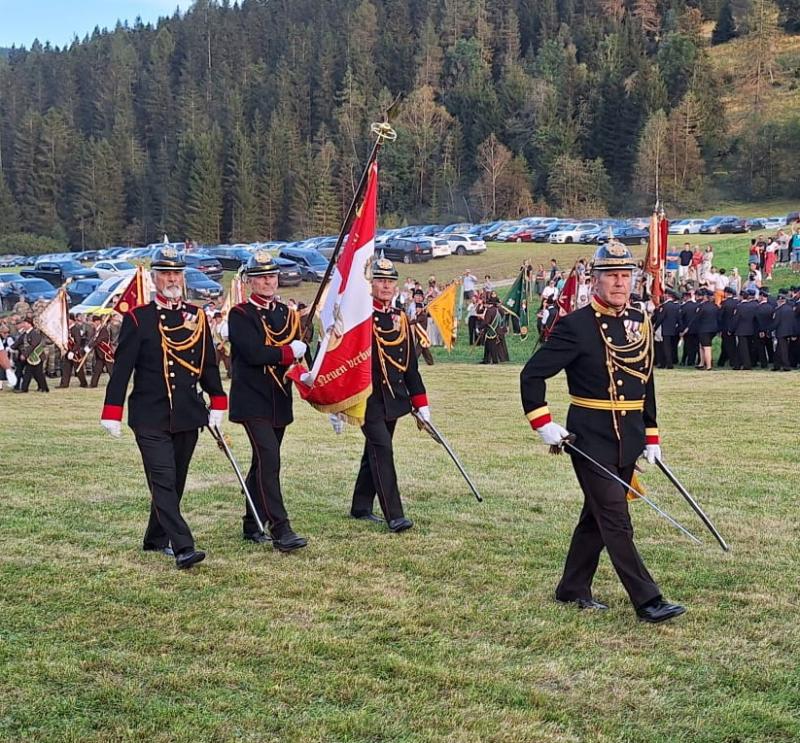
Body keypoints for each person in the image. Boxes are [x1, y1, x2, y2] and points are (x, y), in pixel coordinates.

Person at [520, 241, 685, 624]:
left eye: (626, 275)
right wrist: (543, 424)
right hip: (589, 437)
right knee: (615, 518)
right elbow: (532, 374)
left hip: (628, 436)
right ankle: (648, 600)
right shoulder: (575, 326)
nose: (619, 283)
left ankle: (572, 587)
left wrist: (651, 435)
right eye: (611, 275)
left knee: (596, 517)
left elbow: (646, 381)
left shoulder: (640, 321)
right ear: (594, 280)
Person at [99, 246, 227, 569]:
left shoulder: (196, 316)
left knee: (176, 481)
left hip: (187, 414)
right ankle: (183, 546)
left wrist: (218, 401)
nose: (171, 279)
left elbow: (208, 364)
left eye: (176, 273)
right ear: (154, 278)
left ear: (182, 278)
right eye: (165, 273)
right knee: (163, 478)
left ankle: (155, 538)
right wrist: (112, 410)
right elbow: (123, 368)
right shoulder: (138, 318)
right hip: (150, 416)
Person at [228, 251, 309, 551]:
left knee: (262, 462)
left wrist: (311, 374)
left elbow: (302, 351)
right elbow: (253, 353)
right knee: (270, 460)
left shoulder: (287, 314)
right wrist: (289, 352)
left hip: (279, 399)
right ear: (249, 281)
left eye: (272, 276)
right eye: (261, 277)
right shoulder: (240, 314)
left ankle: (252, 523)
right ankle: (280, 528)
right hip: (252, 400)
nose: (268, 281)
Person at [349, 255, 431, 533]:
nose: (385, 286)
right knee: (383, 449)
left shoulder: (400, 317)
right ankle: (394, 514)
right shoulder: (359, 318)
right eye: (380, 280)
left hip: (394, 398)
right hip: (366, 397)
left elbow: (409, 364)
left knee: (373, 449)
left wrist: (420, 400)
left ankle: (360, 506)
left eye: (390, 281)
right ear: (370, 284)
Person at [13, 316, 48, 393]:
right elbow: (18, 342)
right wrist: (11, 347)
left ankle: (43, 388)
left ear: (29, 324)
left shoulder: (34, 334)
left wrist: (24, 354)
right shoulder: (25, 334)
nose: (23, 325)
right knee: (30, 373)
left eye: (25, 323)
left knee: (38, 374)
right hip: (30, 358)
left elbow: (33, 346)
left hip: (37, 357)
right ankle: (27, 388)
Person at [58, 314, 89, 388]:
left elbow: (78, 342)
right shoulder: (66, 329)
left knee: (78, 370)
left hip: (75, 353)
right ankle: (64, 384)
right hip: (67, 351)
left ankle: (83, 383)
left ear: (72, 320)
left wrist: (73, 351)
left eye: (68, 319)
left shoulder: (76, 329)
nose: (67, 321)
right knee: (66, 369)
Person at [695, 288, 720, 370]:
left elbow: (697, 318)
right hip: (713, 329)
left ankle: (708, 365)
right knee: (702, 346)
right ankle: (701, 363)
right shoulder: (715, 306)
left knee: (706, 347)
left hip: (704, 329)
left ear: (705, 297)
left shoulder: (702, 306)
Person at [88, 315, 115, 387]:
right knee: (97, 370)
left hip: (106, 353)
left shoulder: (103, 330)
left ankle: (116, 384)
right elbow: (92, 339)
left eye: (93, 322)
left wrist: (90, 346)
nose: (92, 323)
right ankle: (93, 384)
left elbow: (98, 341)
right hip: (99, 354)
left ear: (97, 322)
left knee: (111, 371)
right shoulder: (95, 330)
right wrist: (87, 346)